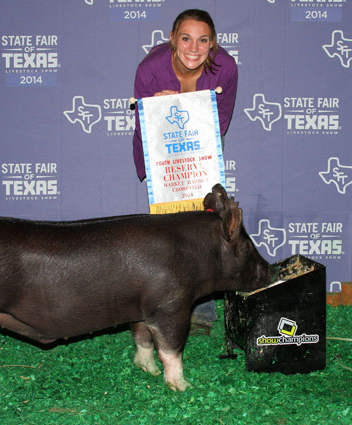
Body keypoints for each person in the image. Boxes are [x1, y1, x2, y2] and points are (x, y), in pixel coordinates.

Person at [131, 9, 239, 332]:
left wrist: (194, 123)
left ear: (212, 43)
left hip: (201, 150)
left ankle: (203, 311)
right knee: (168, 230)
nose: (194, 47)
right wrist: (158, 107)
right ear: (173, 40)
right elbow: (143, 121)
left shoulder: (226, 69)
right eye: (186, 38)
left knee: (206, 226)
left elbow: (221, 120)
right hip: (162, 152)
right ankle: (165, 306)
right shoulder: (149, 69)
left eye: (203, 40)